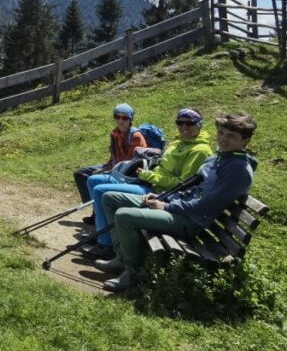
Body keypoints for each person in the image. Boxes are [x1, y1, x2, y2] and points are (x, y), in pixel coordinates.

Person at [96, 113, 258, 293]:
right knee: (110, 198)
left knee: (124, 216)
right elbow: (188, 187)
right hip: (179, 208)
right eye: (221, 133)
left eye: (231, 136)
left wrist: (166, 206)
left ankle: (133, 273)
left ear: (245, 141)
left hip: (191, 221)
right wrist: (162, 198)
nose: (223, 139)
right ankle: (121, 257)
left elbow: (209, 204)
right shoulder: (219, 158)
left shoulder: (237, 169)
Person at [82, 108, 213, 260]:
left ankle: (106, 244)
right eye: (180, 123)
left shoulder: (200, 150)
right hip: (149, 183)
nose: (184, 127)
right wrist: (147, 171)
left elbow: (182, 184)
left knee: (100, 191)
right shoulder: (178, 143)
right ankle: (102, 230)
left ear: (199, 124)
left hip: (160, 193)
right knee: (94, 180)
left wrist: (148, 176)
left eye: (189, 123)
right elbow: (161, 167)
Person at [72, 103, 147, 223]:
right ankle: (94, 207)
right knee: (80, 174)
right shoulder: (115, 133)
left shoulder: (136, 137)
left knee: (94, 179)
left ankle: (97, 213)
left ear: (130, 119)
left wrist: (107, 171)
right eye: (117, 117)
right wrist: (105, 167)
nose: (120, 121)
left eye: (124, 118)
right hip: (114, 166)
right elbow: (113, 156)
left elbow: (130, 164)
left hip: (127, 173)